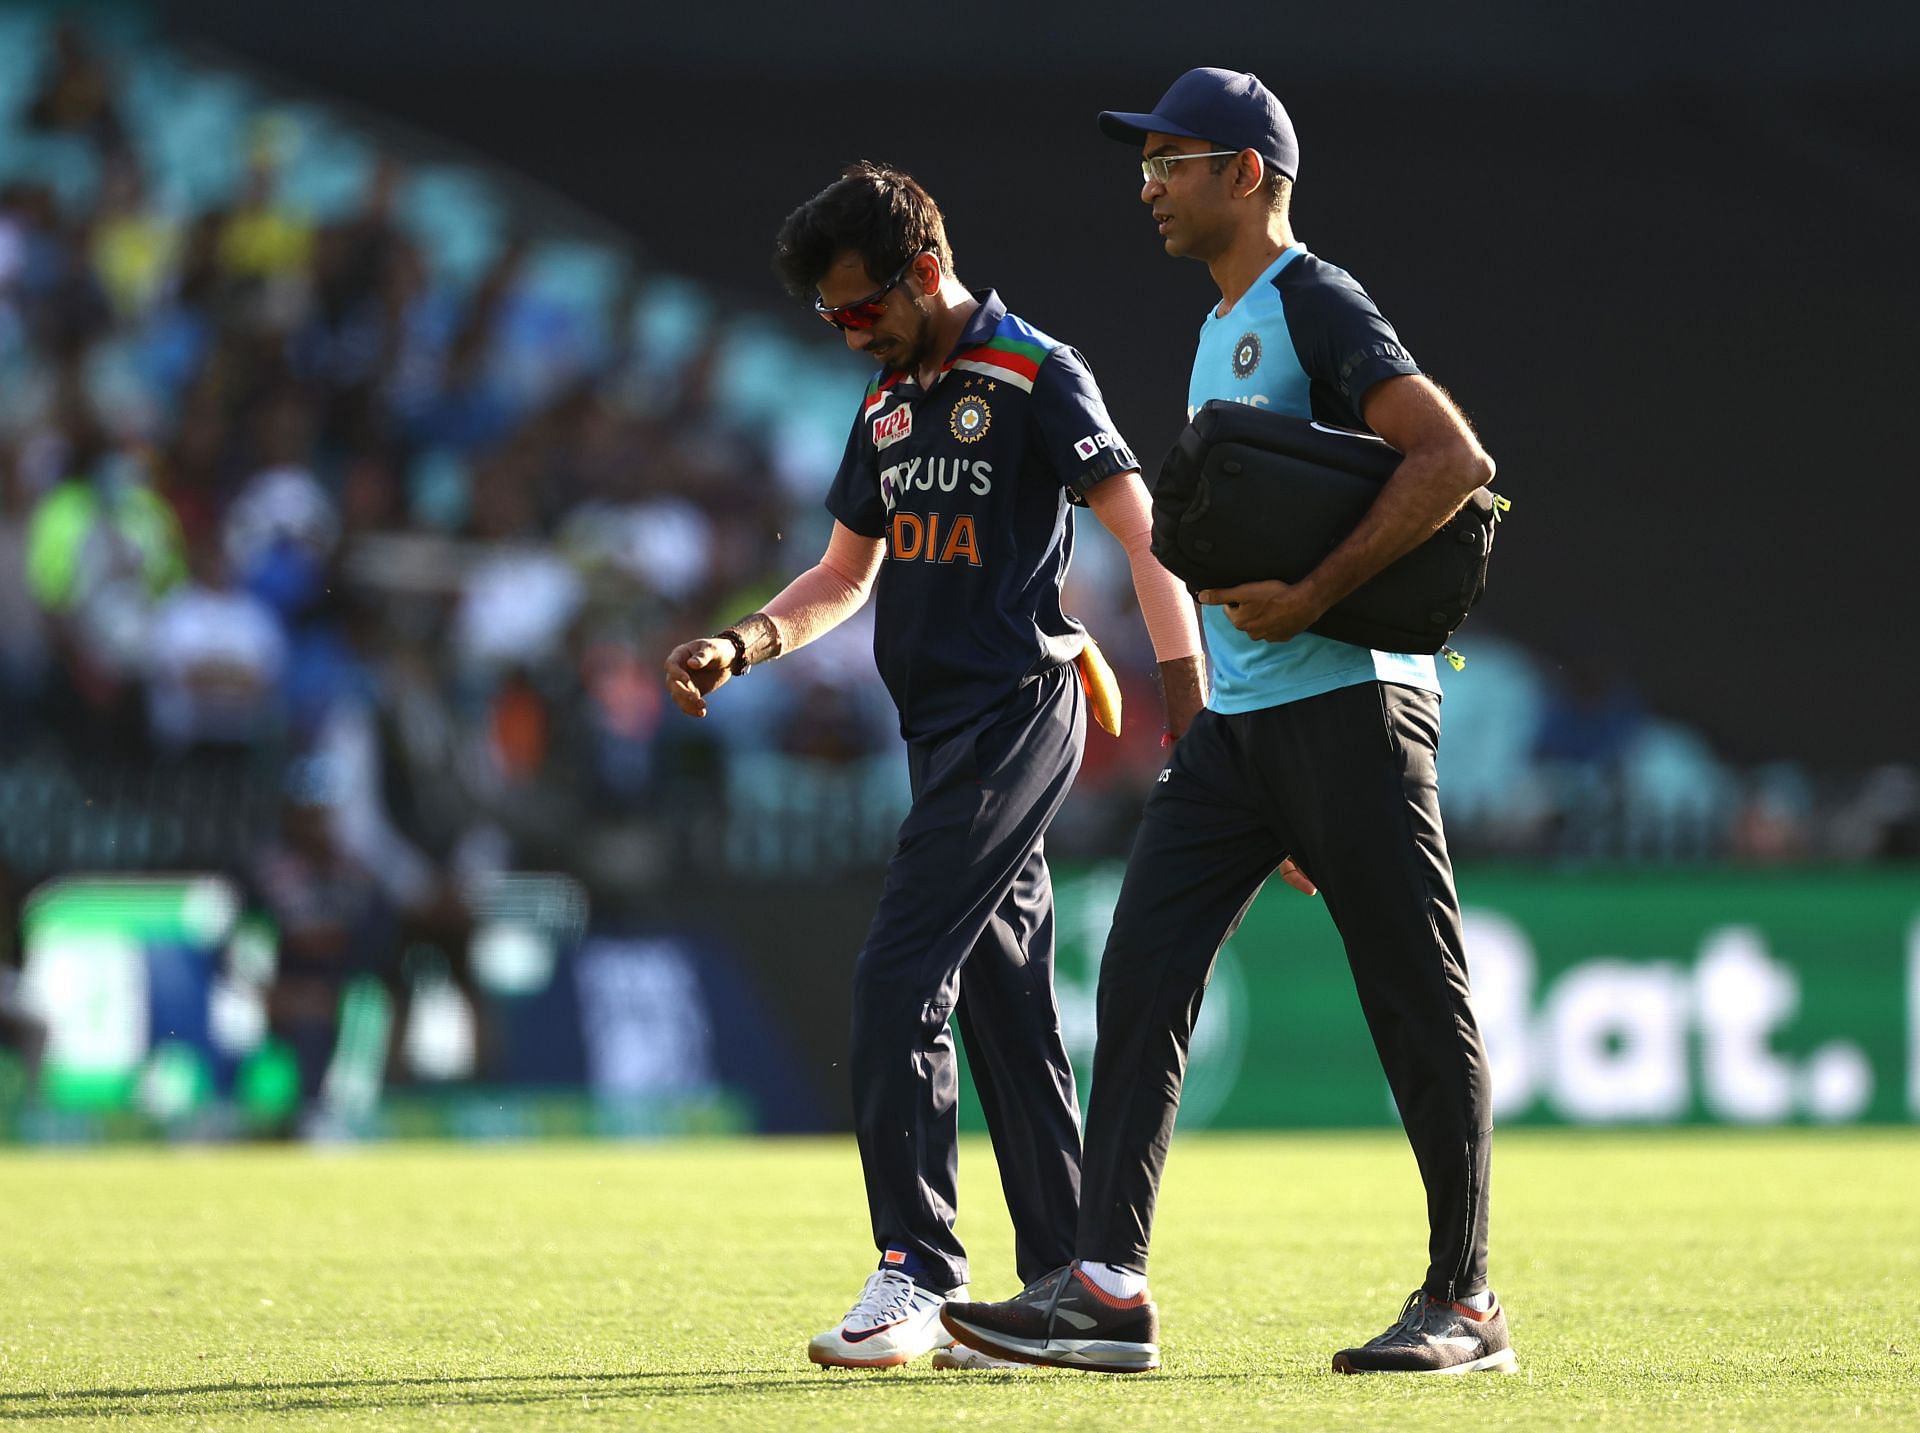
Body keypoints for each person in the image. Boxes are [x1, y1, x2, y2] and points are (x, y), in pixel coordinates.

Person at [942, 68, 1516, 1376]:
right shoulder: (1220, 328)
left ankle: (1467, 1299)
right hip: (1243, 737)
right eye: (1144, 162)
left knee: (1414, 1003)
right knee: (1140, 979)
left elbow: (1453, 460)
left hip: (1354, 712)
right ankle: (1103, 1288)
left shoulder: (1312, 297)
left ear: (1247, 172)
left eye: (1171, 160)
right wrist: (1207, 705)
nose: (1145, 183)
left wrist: (1316, 592)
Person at [661, 162, 1205, 1369]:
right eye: (831, 321)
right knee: (1010, 1003)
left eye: (862, 309)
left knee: (898, 971)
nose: (851, 335)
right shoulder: (888, 408)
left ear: (922, 271)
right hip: (938, 732)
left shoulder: (1034, 371)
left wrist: (1188, 702)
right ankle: (1073, 1282)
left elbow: (1144, 533)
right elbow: (844, 576)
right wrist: (742, 641)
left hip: (1018, 713)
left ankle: (917, 1266)